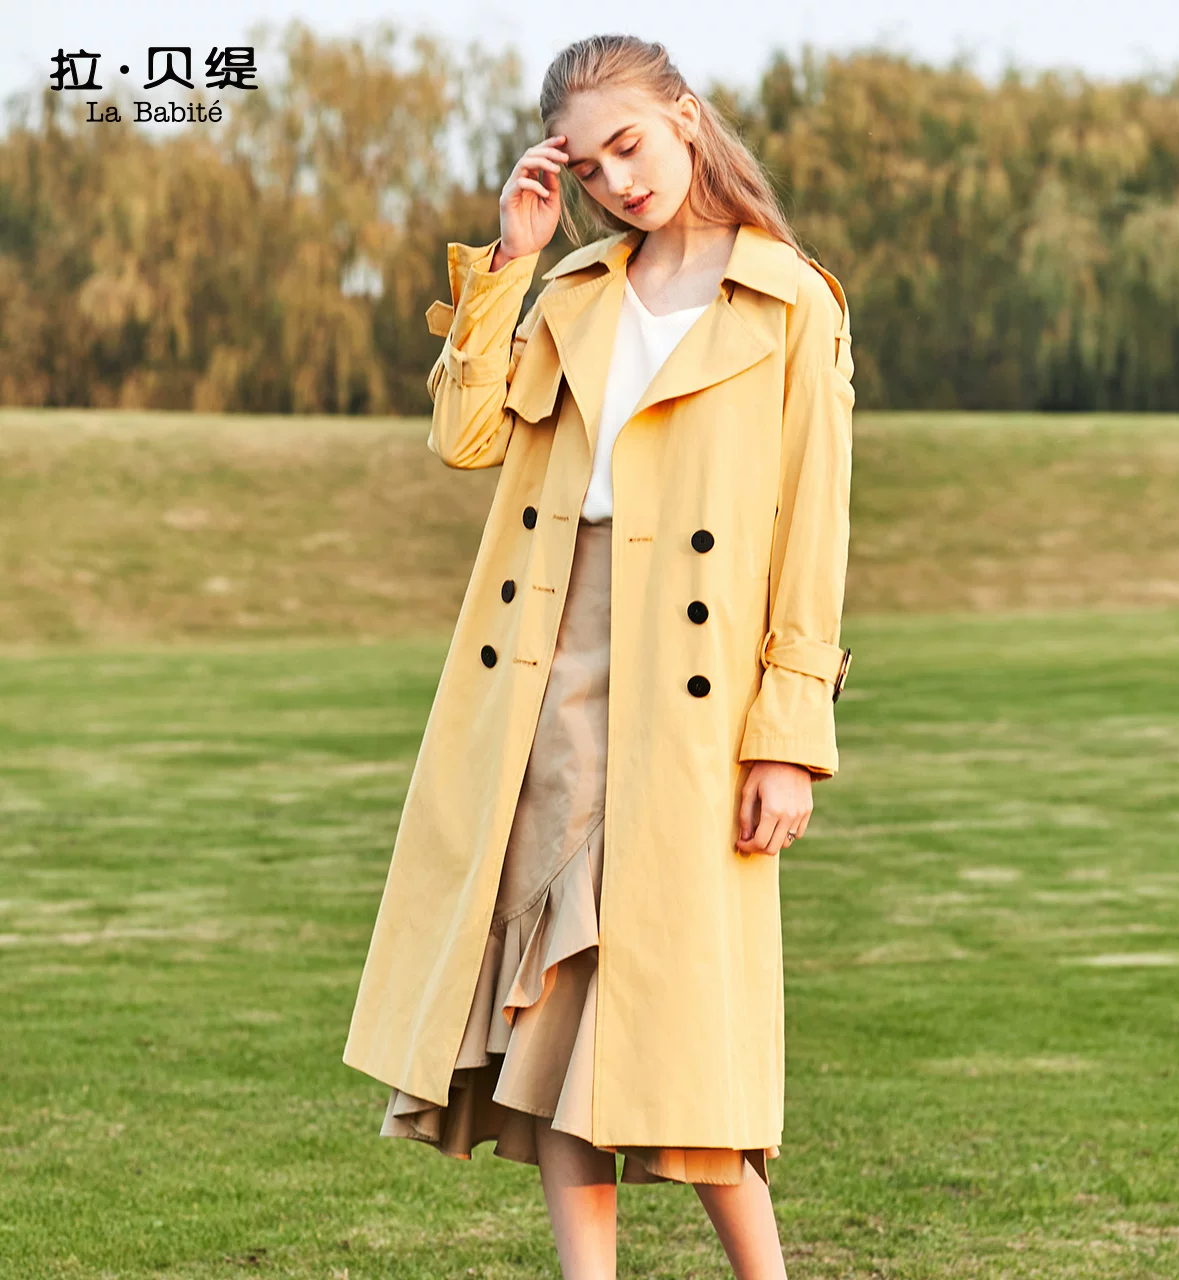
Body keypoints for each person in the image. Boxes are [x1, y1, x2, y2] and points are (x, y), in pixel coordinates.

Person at [343, 33, 855, 1280]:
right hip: (549, 665)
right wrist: (509, 263)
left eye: (630, 144)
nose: (618, 181)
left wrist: (788, 739)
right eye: (586, 165)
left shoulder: (789, 298)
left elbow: (813, 531)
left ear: (685, 116)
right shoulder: (570, 290)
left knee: (687, 1019)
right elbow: (463, 437)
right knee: (555, 1003)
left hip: (696, 690)